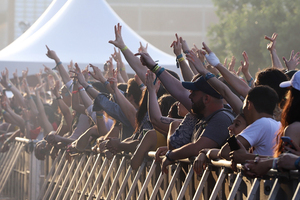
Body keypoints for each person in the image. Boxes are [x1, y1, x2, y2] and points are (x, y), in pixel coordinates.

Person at [134, 50, 235, 173]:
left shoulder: (222, 118)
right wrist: (153, 67)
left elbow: (197, 147)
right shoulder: (203, 114)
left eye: (193, 93)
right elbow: (179, 91)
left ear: (206, 98)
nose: (189, 97)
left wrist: (172, 155)